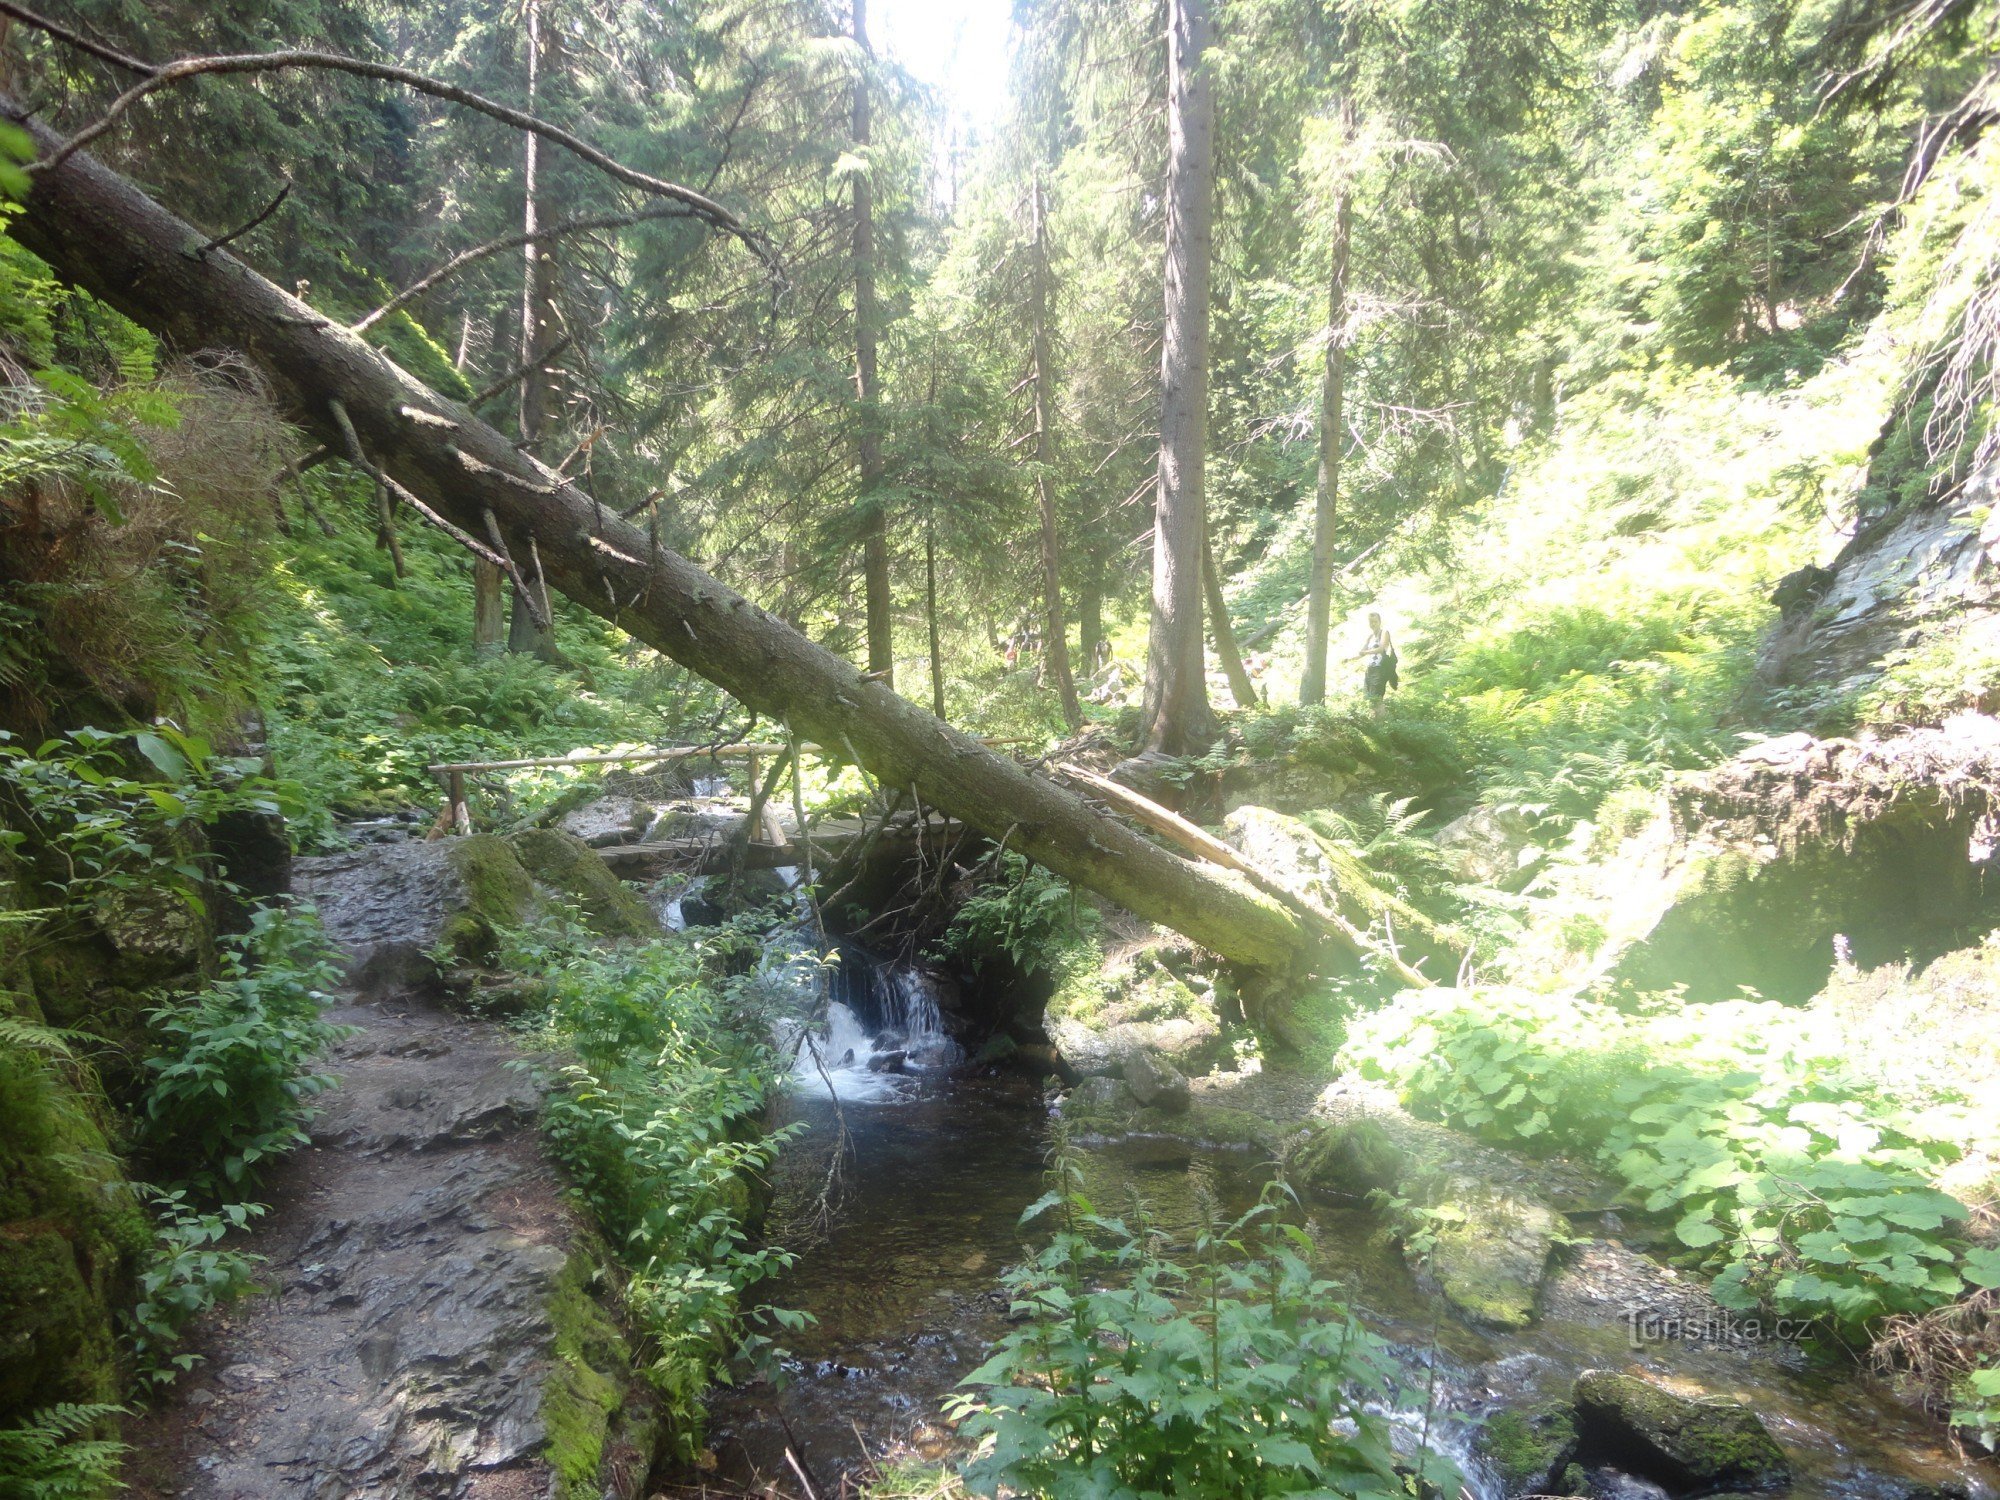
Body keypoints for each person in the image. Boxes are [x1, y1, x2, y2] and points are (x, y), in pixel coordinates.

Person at [1353, 610, 1399, 708]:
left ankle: (1380, 722)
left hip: (1380, 670)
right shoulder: (1370, 637)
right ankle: (1373, 721)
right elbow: (1362, 652)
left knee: (1376, 699)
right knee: (1368, 697)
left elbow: (1381, 648)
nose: (1373, 624)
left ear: (1379, 622)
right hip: (1370, 670)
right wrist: (1350, 659)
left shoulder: (1384, 633)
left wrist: (1365, 652)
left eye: (1375, 621)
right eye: (1371, 622)